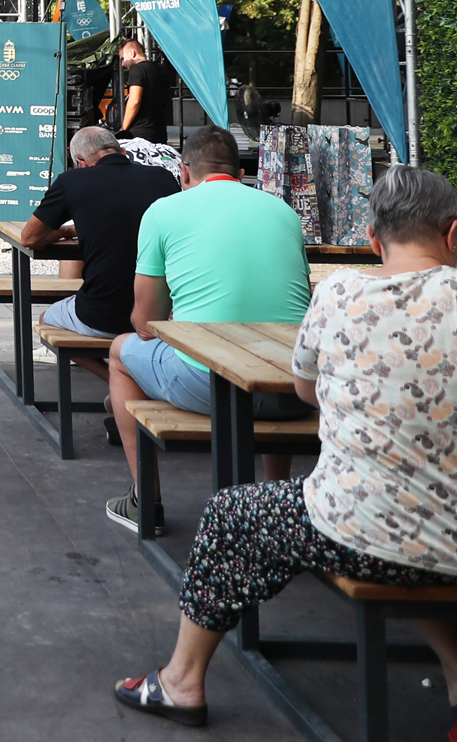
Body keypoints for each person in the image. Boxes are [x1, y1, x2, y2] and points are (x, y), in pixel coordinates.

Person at [113, 167, 457, 742]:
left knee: (232, 513)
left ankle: (180, 681)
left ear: (374, 238)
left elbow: (305, 389)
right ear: (454, 233)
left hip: (360, 526)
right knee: (404, 526)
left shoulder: (340, 295)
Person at [103, 125, 313, 531]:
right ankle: (273, 498)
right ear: (240, 173)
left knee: (119, 352)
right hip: (295, 388)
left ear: (184, 171)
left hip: (209, 386)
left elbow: (145, 324)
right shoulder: (283, 211)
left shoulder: (163, 211)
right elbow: (299, 301)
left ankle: (145, 500)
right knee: (275, 352)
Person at [20, 127, 181, 366]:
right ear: (123, 151)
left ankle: (112, 378)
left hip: (102, 315)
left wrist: (64, 231)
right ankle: (127, 375)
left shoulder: (71, 181)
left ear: (81, 162)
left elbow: (30, 238)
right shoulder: (162, 178)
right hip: (160, 314)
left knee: (46, 320)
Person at [112, 37, 168, 146]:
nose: (123, 64)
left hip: (139, 134)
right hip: (159, 133)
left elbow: (134, 101)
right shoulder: (162, 69)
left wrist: (124, 128)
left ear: (132, 53)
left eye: (123, 58)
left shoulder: (137, 70)